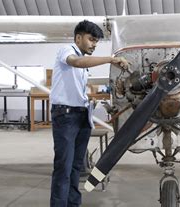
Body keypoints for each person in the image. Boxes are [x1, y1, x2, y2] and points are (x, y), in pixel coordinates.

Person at [49, 20, 128, 207]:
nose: (93, 45)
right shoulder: (66, 51)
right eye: (91, 40)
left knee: (77, 167)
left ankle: (73, 204)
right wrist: (111, 58)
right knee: (64, 168)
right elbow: (76, 62)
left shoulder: (83, 64)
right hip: (66, 117)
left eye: (96, 42)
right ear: (78, 37)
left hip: (81, 115)